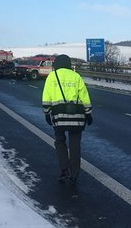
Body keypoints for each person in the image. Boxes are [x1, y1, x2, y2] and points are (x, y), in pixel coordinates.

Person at [42, 54, 92, 183]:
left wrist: (47, 113)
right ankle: (74, 174)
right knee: (75, 145)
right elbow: (84, 96)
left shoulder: (52, 77)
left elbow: (46, 97)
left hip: (59, 117)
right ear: (69, 64)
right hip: (77, 116)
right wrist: (89, 113)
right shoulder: (76, 76)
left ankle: (64, 170)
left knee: (60, 141)